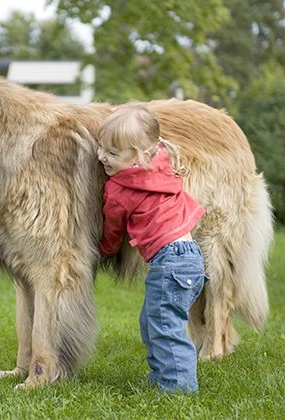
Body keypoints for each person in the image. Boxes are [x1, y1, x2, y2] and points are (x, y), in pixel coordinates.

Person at [97, 102, 207, 393]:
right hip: (190, 259)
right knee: (153, 321)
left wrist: (104, 250)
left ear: (137, 156)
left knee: (165, 327)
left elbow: (113, 229)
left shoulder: (118, 188)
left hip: (170, 263)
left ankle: (179, 388)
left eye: (111, 153)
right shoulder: (160, 162)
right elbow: (151, 137)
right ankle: (163, 375)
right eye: (100, 147)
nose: (101, 157)